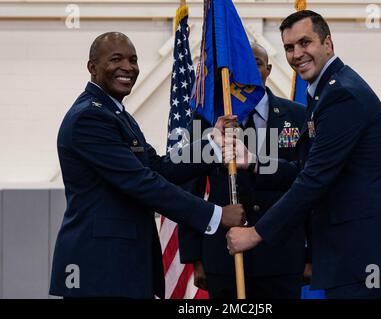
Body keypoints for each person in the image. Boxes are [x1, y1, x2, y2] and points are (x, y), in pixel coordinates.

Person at [226, 10, 381, 299]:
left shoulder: (342, 95)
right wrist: (252, 162)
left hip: (365, 256)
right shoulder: (325, 92)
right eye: (289, 47)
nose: (297, 53)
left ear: (328, 44)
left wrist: (255, 234)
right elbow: (305, 168)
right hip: (351, 256)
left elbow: (314, 180)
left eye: (305, 42)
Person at [49, 32, 245, 299]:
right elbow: (142, 182)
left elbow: (158, 166)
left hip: (121, 264)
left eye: (133, 60)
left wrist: (213, 144)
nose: (128, 67)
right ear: (92, 67)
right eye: (116, 59)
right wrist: (215, 215)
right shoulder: (90, 117)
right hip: (99, 267)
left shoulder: (116, 114)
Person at [178, 43, 309, 299]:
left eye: (256, 64)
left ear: (268, 69)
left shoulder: (297, 115)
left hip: (281, 257)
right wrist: (195, 258)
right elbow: (189, 190)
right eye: (241, 67)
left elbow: (308, 183)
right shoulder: (206, 120)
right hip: (223, 258)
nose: (248, 72)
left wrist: (311, 254)